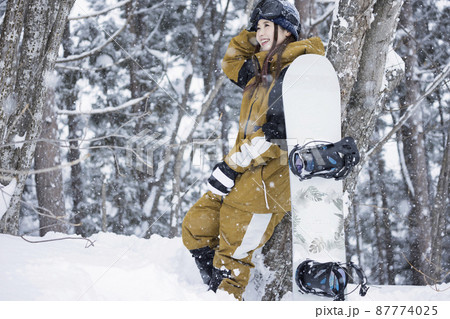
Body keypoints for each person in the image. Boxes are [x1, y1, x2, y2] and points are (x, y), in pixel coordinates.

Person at [181, 0, 325, 300]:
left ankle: (225, 295)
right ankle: (213, 288)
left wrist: (230, 166)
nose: (259, 33)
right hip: (247, 167)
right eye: (257, 27)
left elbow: (275, 138)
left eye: (266, 26)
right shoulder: (262, 71)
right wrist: (256, 27)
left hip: (270, 178)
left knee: (233, 252)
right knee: (197, 224)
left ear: (286, 30)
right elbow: (231, 62)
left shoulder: (295, 71)